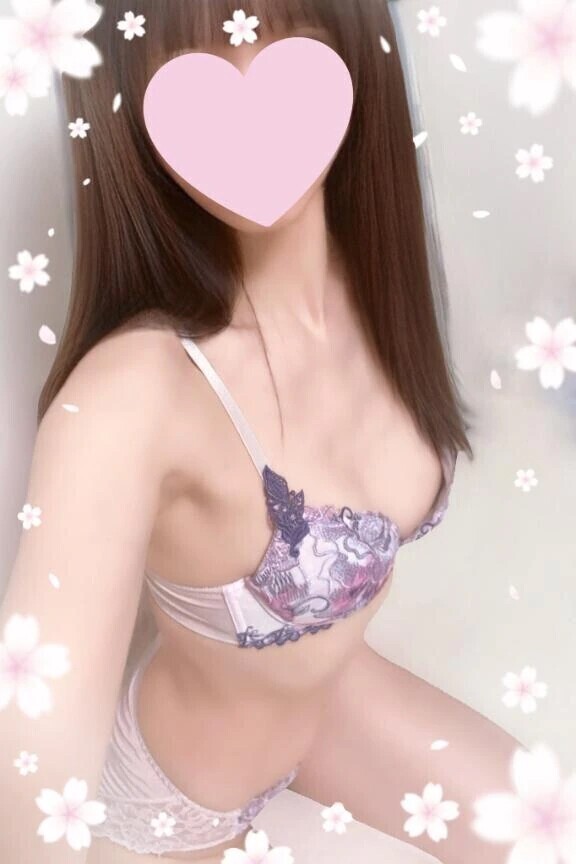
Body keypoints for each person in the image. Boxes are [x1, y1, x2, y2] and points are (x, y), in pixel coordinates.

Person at [0, 1, 524, 863]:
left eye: (284, 36)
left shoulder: (380, 294)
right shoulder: (131, 397)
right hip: (180, 799)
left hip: (331, 705)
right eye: (193, 66)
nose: (251, 96)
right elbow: (32, 753)